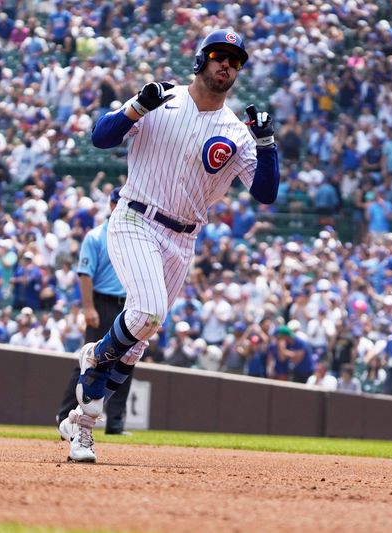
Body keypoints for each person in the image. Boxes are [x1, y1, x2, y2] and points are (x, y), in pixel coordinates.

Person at [58, 29, 280, 462]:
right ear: (201, 60)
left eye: (235, 61)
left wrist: (267, 145)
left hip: (184, 237)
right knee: (147, 312)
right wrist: (136, 106)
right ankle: (95, 355)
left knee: (139, 343)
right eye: (219, 56)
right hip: (136, 216)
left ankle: (80, 427)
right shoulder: (160, 99)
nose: (227, 66)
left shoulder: (234, 131)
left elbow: (266, 193)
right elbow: (100, 138)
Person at [56, 188, 131, 436]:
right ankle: (64, 414)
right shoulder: (97, 236)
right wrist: (88, 307)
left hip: (127, 304)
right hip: (103, 302)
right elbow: (84, 274)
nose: (122, 205)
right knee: (89, 359)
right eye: (118, 201)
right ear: (110, 204)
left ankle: (116, 423)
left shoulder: (133, 234)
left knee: (126, 361)